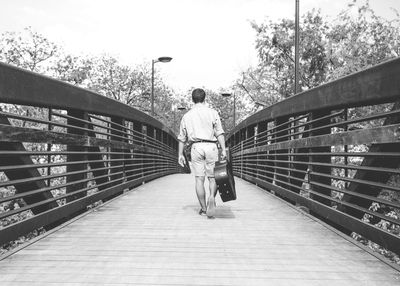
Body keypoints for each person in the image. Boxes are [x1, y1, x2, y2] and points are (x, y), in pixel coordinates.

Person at [178, 88, 226, 218]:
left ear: (192, 99)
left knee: (199, 179)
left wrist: (180, 154)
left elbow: (182, 137)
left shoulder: (187, 116)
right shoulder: (213, 113)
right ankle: (211, 197)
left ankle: (204, 208)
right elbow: (219, 132)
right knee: (212, 178)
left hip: (196, 146)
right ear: (204, 98)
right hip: (211, 146)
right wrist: (224, 149)